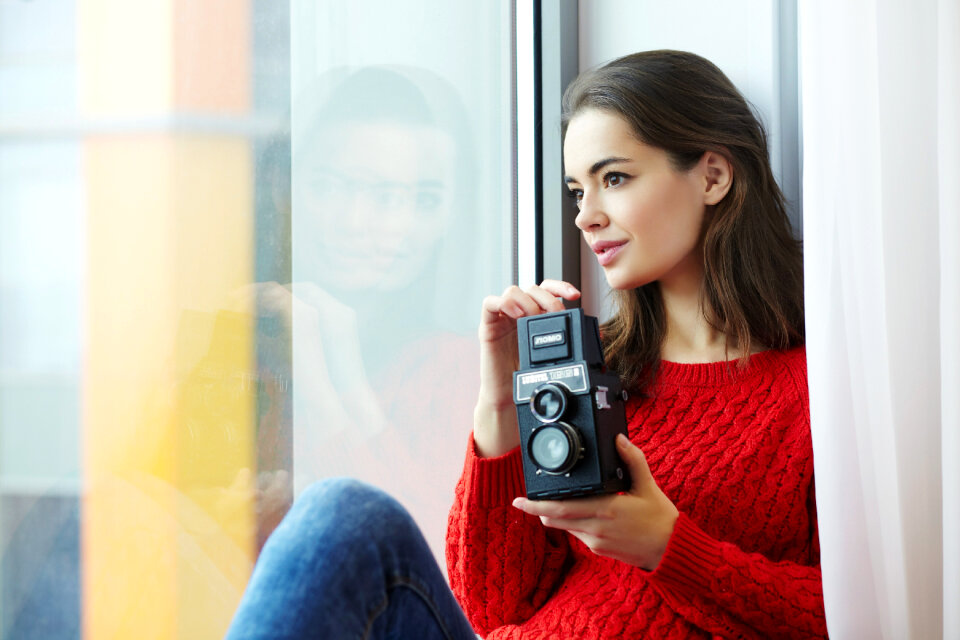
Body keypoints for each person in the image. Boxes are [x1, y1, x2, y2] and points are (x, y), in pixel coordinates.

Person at [224, 50, 826, 639]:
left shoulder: (816, 395)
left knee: (342, 513)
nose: (586, 216)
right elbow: (488, 607)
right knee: (341, 516)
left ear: (714, 176)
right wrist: (499, 403)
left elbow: (866, 616)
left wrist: (669, 548)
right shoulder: (592, 367)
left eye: (614, 178)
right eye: (576, 191)